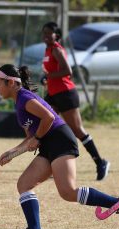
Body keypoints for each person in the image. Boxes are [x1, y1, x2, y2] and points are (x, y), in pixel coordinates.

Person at [0, 64, 119, 229]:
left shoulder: (25, 98)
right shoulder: (19, 103)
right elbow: (31, 137)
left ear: (12, 83)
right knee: (24, 184)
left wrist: (37, 138)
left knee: (68, 191)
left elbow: (49, 117)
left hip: (60, 139)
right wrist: (12, 153)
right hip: (48, 143)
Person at [41, 21, 110, 180]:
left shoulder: (57, 49)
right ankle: (52, 165)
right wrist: (47, 79)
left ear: (56, 35)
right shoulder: (48, 49)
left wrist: (48, 76)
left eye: (48, 33)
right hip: (53, 94)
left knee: (78, 130)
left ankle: (100, 162)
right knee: (47, 126)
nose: (45, 35)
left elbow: (67, 71)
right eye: (43, 32)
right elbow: (52, 71)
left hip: (65, 93)